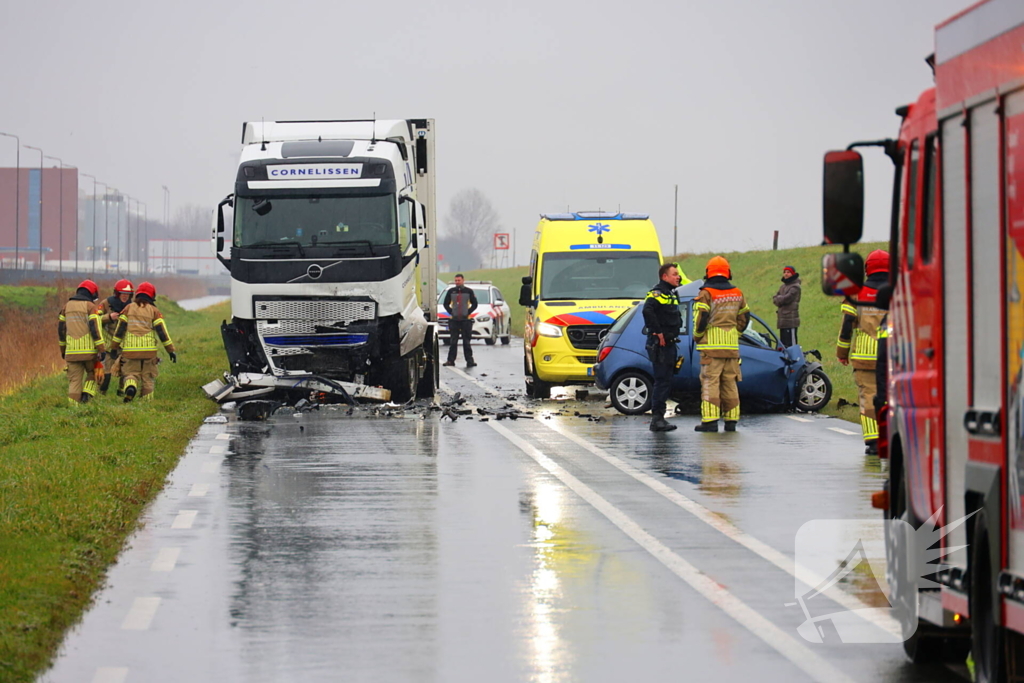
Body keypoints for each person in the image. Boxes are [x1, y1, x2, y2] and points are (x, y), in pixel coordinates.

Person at [837, 249, 889, 455]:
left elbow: (847, 325)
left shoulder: (855, 292)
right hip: (895, 354)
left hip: (865, 356)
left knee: (868, 396)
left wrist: (842, 352)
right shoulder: (900, 290)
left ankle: (874, 441)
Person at [693, 256, 749, 432]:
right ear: (728, 272)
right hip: (731, 347)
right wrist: (735, 333)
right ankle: (731, 421)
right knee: (730, 383)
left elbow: (701, 319)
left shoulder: (706, 293)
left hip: (711, 347)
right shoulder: (737, 293)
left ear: (708, 272)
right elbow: (745, 318)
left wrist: (698, 336)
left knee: (710, 382)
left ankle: (710, 422)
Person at [109, 282, 177, 402]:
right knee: (148, 377)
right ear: (152, 296)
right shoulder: (154, 311)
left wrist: (114, 348)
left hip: (130, 351)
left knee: (130, 373)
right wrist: (170, 351)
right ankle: (146, 401)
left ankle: (130, 387)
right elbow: (162, 333)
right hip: (148, 352)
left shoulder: (128, 308)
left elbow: (119, 331)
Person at [642, 263, 684, 432]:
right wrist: (658, 333)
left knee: (666, 381)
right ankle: (657, 419)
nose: (678, 277)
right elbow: (647, 311)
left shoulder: (671, 293)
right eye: (674, 274)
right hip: (660, 345)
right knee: (662, 382)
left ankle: (660, 418)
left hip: (669, 343)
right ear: (664, 277)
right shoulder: (657, 293)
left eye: (678, 274)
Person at [58, 280, 106, 405]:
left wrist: (63, 351)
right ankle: (86, 396)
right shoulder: (90, 307)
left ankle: (73, 409)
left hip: (71, 352)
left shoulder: (66, 306)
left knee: (74, 381)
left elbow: (61, 331)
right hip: (89, 352)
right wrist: (101, 349)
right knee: (93, 373)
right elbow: (95, 328)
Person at [95, 279, 134, 395]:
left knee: (126, 371)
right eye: (123, 294)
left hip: (125, 345)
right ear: (117, 293)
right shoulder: (106, 303)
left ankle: (121, 393)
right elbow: (95, 320)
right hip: (108, 345)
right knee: (106, 372)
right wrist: (109, 317)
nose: (125, 297)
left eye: (127, 294)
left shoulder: (133, 306)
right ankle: (102, 393)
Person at [442, 274, 479, 368]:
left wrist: (467, 312)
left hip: (466, 321)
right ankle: (450, 360)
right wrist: (452, 312)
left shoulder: (468, 291)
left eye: (459, 280)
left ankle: (470, 361)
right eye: (456, 280)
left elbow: (475, 304)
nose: (457, 282)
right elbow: (445, 303)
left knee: (466, 342)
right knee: (453, 342)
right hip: (454, 321)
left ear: (463, 280)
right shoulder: (451, 291)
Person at [772, 265, 801, 347]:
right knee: (783, 344)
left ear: (793, 274)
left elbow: (786, 298)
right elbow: (775, 298)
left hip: (790, 320)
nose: (786, 274)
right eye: (784, 272)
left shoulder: (795, 287)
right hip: (782, 321)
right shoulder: (783, 287)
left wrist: (779, 299)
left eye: (788, 272)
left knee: (792, 344)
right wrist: (778, 299)